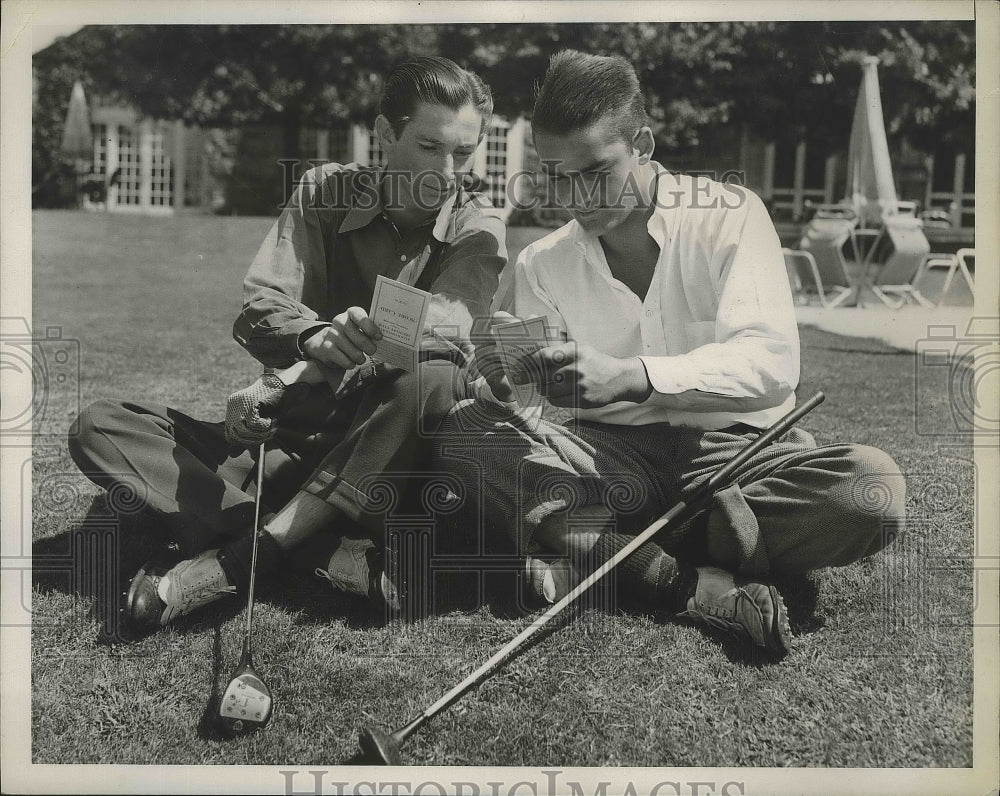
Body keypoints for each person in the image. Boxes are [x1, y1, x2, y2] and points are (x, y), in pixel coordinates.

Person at [433, 50, 906, 657]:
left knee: (871, 486)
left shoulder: (732, 216)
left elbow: (771, 363)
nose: (574, 195)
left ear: (645, 145)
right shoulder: (542, 262)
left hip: (735, 454)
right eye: (555, 174)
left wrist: (635, 377)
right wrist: (513, 382)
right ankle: (681, 581)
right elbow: (545, 410)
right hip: (609, 457)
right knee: (467, 429)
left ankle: (596, 550)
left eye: (595, 170)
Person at [68, 56, 507, 636]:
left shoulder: (479, 224)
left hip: (383, 454)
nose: (449, 172)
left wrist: (288, 376)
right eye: (430, 147)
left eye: (463, 153)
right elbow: (260, 307)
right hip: (288, 443)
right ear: (384, 134)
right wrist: (314, 336)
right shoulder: (324, 190)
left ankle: (237, 555)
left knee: (431, 377)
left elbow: (440, 335)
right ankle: (321, 549)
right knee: (97, 427)